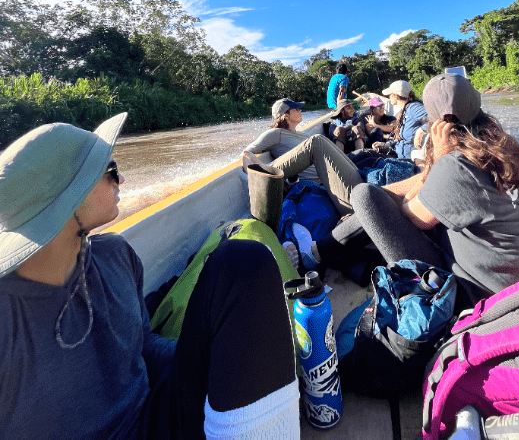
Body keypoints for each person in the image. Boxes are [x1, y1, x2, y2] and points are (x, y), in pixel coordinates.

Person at [0, 114, 299, 440]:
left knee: (244, 260)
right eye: (110, 171)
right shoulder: (7, 317)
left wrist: (210, 357)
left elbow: (141, 344)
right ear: (72, 196)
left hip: (154, 417)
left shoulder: (114, 255)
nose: (121, 180)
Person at [284, 75, 519, 308]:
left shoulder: (457, 164)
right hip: (511, 284)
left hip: (474, 296)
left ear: (438, 121)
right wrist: (380, 198)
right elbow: (421, 186)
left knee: (365, 197)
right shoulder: (497, 148)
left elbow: (411, 216)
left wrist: (373, 204)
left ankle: (315, 254)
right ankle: (321, 253)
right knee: (369, 197)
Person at [375, 80, 428, 160]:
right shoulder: (404, 111)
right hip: (399, 155)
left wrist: (421, 130)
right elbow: (404, 140)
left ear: (395, 95)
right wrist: (387, 144)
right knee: (365, 155)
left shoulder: (414, 108)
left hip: (410, 160)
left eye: (390, 94)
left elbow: (434, 120)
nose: (389, 97)